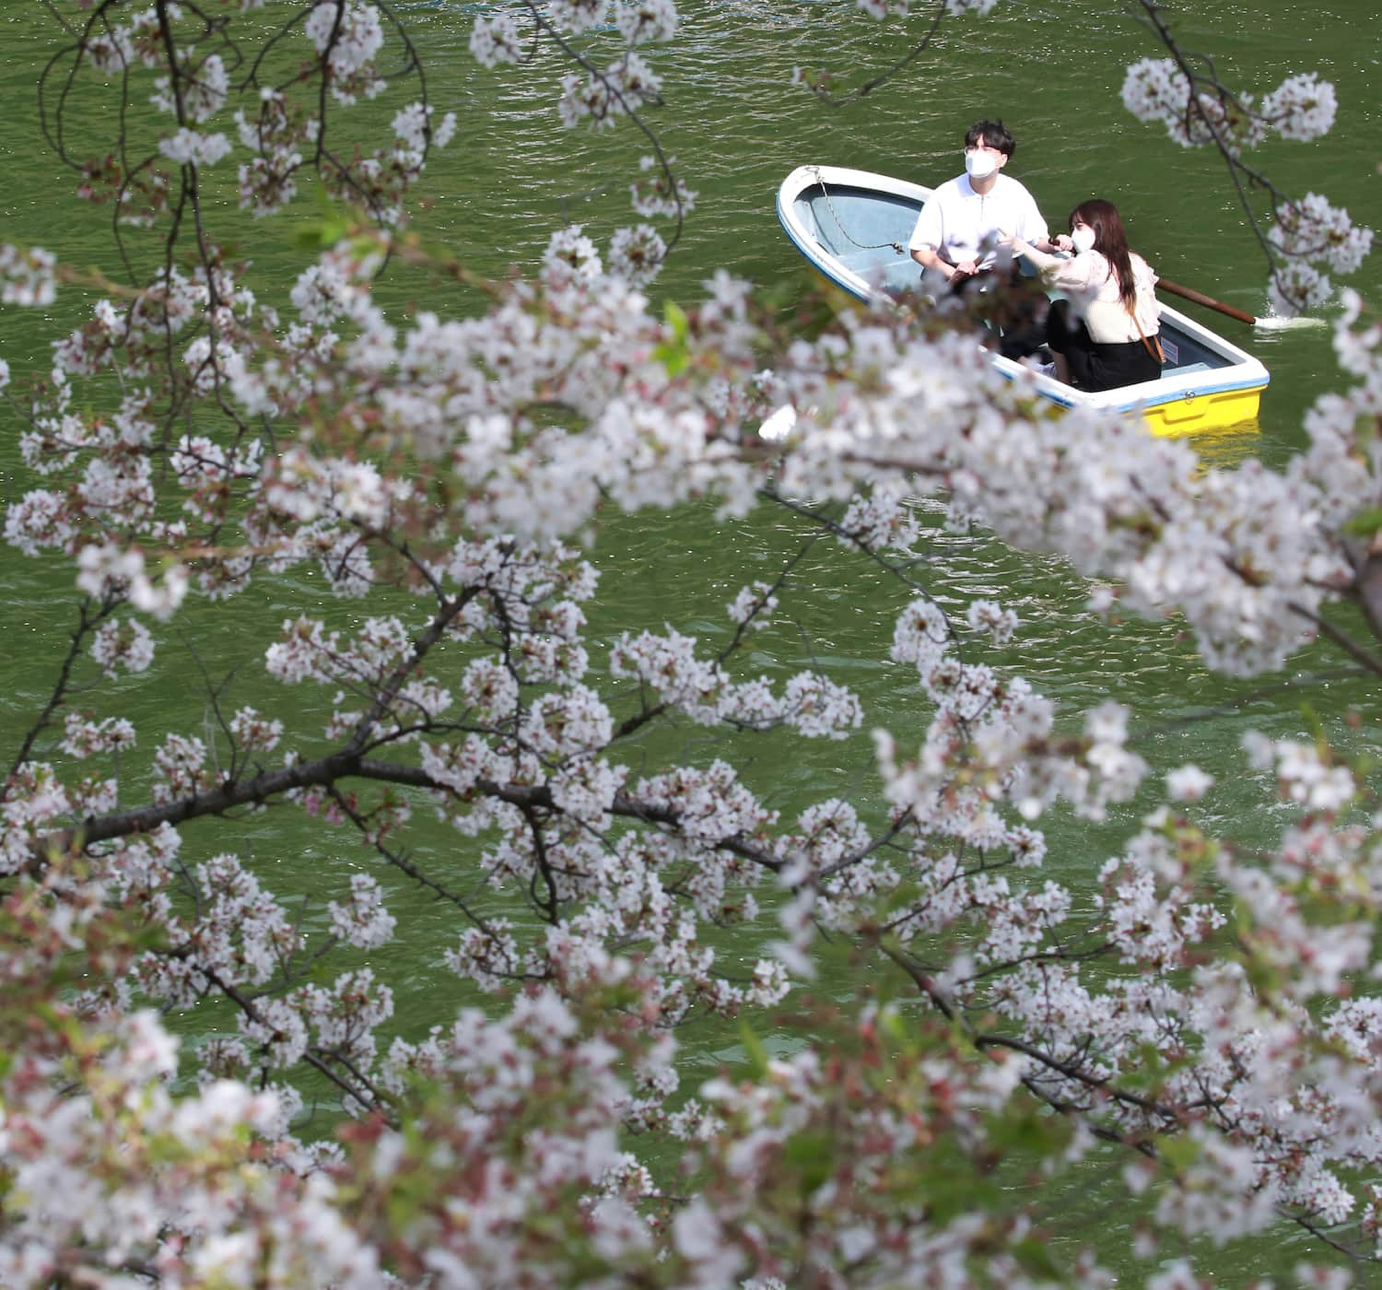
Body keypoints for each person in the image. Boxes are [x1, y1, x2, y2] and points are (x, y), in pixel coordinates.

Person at [1005, 199, 1164, 392]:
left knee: (1059, 310)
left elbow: (1052, 269)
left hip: (1109, 377)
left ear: (1100, 227)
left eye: (1079, 227)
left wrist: (1021, 246)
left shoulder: (1092, 262)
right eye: (1073, 228)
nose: (1074, 234)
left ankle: (1061, 379)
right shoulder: (1135, 260)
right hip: (1152, 367)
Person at [908, 120, 1062, 295]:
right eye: (973, 148)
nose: (977, 154)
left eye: (986, 149)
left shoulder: (1016, 193)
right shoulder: (943, 195)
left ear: (1003, 159)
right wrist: (954, 272)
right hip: (951, 274)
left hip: (1001, 274)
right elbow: (919, 250)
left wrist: (1055, 245)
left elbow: (1037, 241)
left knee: (1039, 312)